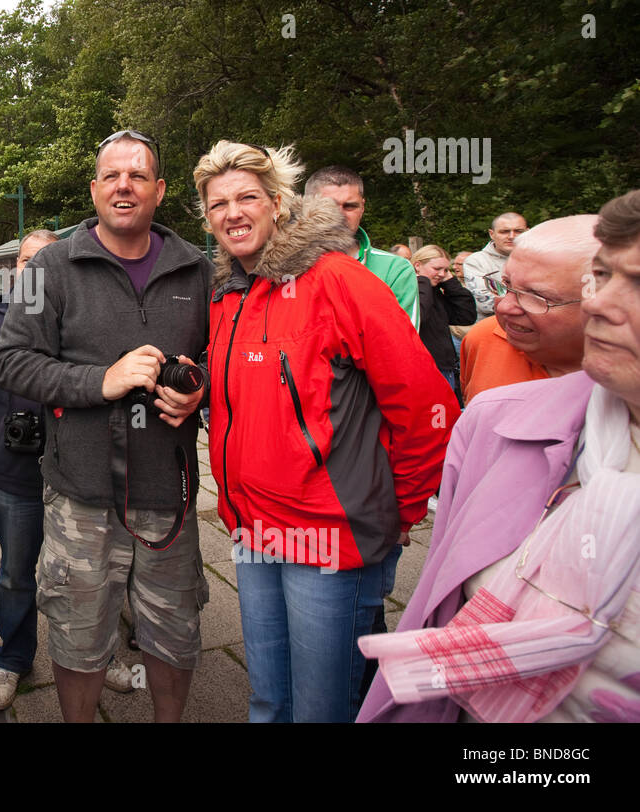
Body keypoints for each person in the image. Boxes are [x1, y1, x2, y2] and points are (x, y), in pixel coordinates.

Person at [195, 140, 457, 722]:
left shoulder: (338, 280)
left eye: (247, 198)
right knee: (269, 701)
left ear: (278, 203)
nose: (233, 213)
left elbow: (428, 406)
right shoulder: (227, 295)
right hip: (253, 530)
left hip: (330, 541)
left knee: (322, 709)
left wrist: (400, 510)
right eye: (217, 204)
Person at [359, 189, 640, 723]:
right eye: (601, 279)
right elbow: (443, 594)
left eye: (541, 297)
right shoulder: (490, 416)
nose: (601, 304)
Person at [0, 130, 211, 723]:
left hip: (170, 494)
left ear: (159, 190)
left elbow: (223, 357)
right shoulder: (49, 267)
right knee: (78, 634)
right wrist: (101, 381)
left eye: (138, 176)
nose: (124, 186)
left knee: (174, 634)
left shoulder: (196, 269)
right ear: (94, 189)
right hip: (81, 496)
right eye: (112, 176)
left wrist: (202, 390)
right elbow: (9, 360)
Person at [0, 229, 131, 708]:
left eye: (46, 259)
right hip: (16, 476)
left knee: (92, 572)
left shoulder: (83, 322)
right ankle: (12, 658)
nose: (35, 268)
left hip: (81, 476)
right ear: (15, 268)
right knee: (16, 573)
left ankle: (101, 653)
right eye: (26, 260)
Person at [459, 215, 598, 403]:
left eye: (535, 295)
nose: (504, 307)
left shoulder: (627, 376)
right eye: (505, 285)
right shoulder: (483, 337)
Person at [304, 165, 420, 328]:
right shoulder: (282, 266)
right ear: (306, 207)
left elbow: (403, 339)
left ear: (362, 207)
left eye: (350, 206)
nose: (340, 215)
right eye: (329, 206)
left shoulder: (395, 269)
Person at [410, 244, 477, 398]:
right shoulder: (410, 289)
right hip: (424, 368)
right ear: (417, 266)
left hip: (445, 366)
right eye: (437, 269)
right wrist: (422, 282)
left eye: (446, 270)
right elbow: (420, 316)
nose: (442, 274)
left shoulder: (435, 291)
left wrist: (450, 283)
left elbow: (465, 316)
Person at [462, 211, 529, 318]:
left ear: (528, 232)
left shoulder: (540, 259)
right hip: (494, 324)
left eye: (518, 231)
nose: (511, 236)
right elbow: (485, 304)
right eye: (504, 232)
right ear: (492, 234)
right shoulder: (477, 261)